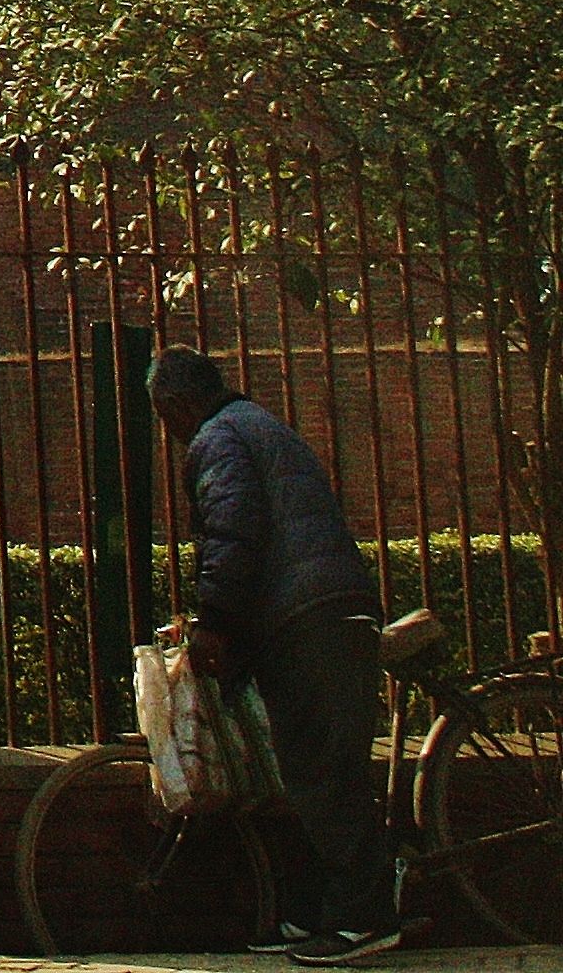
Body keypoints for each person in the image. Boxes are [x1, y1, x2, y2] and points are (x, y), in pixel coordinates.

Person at [151, 348, 396, 964]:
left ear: (176, 403)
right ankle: (316, 913)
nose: (168, 431)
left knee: (321, 771)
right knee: (311, 769)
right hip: (325, 609)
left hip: (306, 620)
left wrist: (213, 624)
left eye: (163, 416)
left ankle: (364, 920)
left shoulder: (217, 438)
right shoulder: (253, 424)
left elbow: (233, 531)